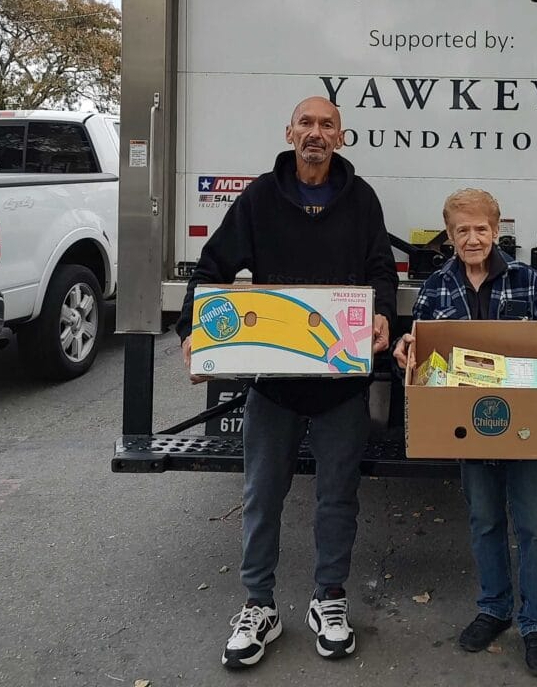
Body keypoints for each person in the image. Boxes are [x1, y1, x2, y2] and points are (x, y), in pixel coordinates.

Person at [177, 97, 398, 670]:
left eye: (326, 125)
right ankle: (259, 607)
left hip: (340, 386)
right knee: (262, 496)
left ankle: (329, 599)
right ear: (289, 133)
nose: (315, 133)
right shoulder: (259, 199)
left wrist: (382, 313)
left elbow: (381, 271)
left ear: (341, 137)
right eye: (306, 123)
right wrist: (192, 330)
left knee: (337, 498)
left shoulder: (362, 200)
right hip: (273, 383)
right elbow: (212, 267)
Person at [393, 188, 537, 679]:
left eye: (481, 229)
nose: (472, 239)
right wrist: (405, 351)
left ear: (496, 231)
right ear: (449, 235)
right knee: (484, 520)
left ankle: (536, 624)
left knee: (536, 524)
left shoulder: (528, 280)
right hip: (472, 426)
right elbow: (421, 353)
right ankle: (494, 608)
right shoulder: (437, 286)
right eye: (462, 230)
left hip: (529, 425)